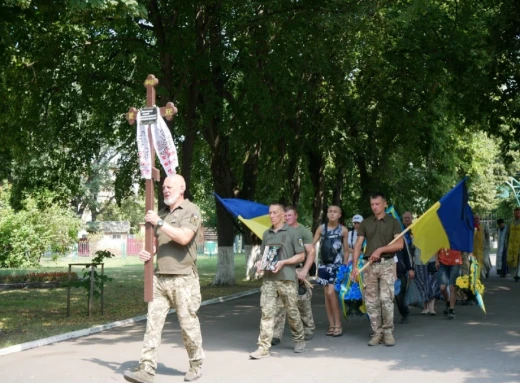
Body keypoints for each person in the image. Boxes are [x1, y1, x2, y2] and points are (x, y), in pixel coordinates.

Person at [123, 174, 204, 383]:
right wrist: (147, 252)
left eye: (170, 187)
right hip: (160, 279)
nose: (165, 190)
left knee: (188, 326)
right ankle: (146, 368)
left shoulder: (191, 210)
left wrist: (158, 222)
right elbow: (156, 245)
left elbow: (184, 237)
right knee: (153, 324)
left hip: (184, 278)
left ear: (182, 188)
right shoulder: (161, 214)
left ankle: (196, 365)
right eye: (164, 187)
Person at [249, 202, 306, 359]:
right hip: (269, 280)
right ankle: (263, 347)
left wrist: (283, 262)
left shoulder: (293, 233)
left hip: (287, 279)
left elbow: (301, 255)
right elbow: (265, 255)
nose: (272, 215)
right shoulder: (267, 234)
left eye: (275, 213)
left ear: (282, 214)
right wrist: (260, 263)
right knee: (267, 313)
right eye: (270, 213)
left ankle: (299, 339)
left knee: (292, 311)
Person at [351, 192, 403, 347]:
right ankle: (377, 332)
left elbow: (400, 244)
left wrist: (380, 249)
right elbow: (358, 245)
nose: (374, 207)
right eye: (372, 204)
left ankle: (388, 332)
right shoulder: (366, 223)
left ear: (384, 204)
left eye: (377, 204)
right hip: (369, 266)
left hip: (387, 263)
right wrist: (354, 266)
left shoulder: (393, 222)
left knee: (386, 299)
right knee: (371, 301)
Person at [271, 206, 316, 345]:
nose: (287, 218)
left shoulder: (303, 231)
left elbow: (311, 253)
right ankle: (276, 334)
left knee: (302, 301)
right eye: (285, 215)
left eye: (290, 215)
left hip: (300, 269)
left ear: (296, 216)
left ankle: (308, 328)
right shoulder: (280, 230)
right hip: (284, 270)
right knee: (280, 303)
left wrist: (304, 271)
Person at [313, 205, 349, 337]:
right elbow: (312, 244)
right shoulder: (322, 228)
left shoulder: (343, 230)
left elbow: (346, 250)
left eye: (335, 212)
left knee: (331, 292)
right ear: (327, 214)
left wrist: (345, 264)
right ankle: (331, 324)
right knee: (327, 296)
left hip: (337, 265)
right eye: (330, 211)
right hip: (323, 265)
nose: (332, 214)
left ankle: (338, 324)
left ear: (340, 215)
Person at [394, 211, 415, 324]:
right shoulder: (383, 238)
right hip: (387, 271)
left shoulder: (402, 238)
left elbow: (408, 254)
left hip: (400, 271)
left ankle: (404, 313)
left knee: (399, 295)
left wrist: (410, 268)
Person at [435, 248, 462, 319]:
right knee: (442, 287)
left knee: (452, 287)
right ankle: (448, 301)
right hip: (443, 262)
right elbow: (437, 246)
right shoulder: (441, 236)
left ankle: (451, 310)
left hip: (455, 262)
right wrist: (437, 260)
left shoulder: (458, 237)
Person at [506, 207, 520, 282]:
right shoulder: (511, 222)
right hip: (512, 245)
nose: (517, 214)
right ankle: (515, 274)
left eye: (518, 212)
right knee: (512, 260)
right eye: (515, 212)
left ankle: (518, 275)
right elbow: (507, 233)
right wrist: (506, 243)